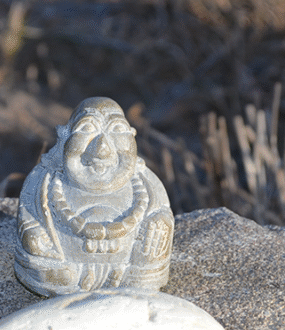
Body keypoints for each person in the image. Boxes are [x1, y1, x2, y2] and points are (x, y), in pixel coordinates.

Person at [14, 97, 173, 296]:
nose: (102, 149)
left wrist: (159, 225)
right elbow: (31, 234)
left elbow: (161, 217)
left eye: (117, 130)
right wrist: (37, 243)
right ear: (64, 137)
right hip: (63, 277)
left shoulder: (148, 187)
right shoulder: (41, 183)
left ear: (132, 136)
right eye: (86, 129)